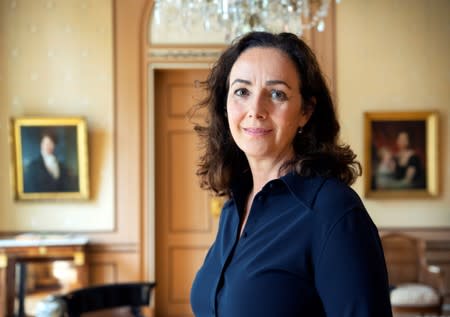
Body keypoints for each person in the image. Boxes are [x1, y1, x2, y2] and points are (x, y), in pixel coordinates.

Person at [190, 32, 392, 316]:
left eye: (277, 94)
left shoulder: (333, 211)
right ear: (225, 104)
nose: (255, 110)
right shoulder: (233, 206)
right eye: (241, 91)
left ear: (305, 112)